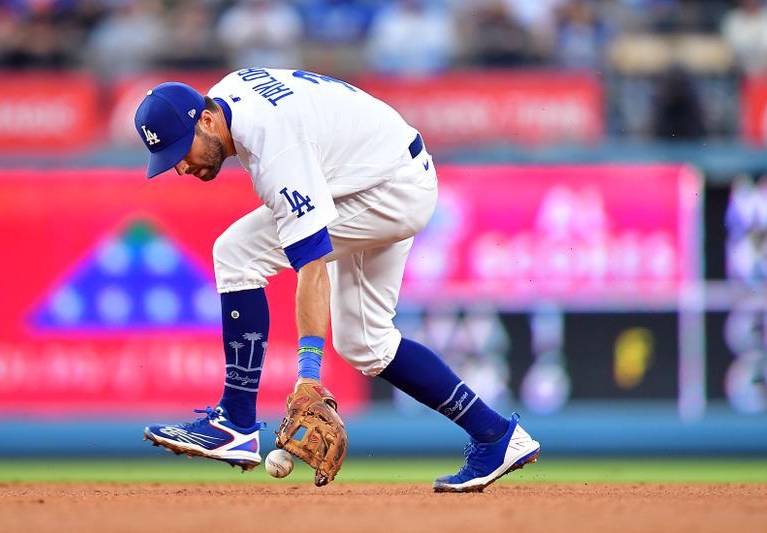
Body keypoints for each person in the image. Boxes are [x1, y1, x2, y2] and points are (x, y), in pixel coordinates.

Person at [133, 67, 540, 492]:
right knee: (365, 342)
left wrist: (308, 374)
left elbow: (313, 266)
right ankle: (496, 435)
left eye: (182, 150)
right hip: (383, 171)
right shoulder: (230, 95)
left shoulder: (274, 149)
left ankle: (235, 421)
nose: (180, 167)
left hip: (388, 188)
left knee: (236, 254)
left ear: (207, 120)